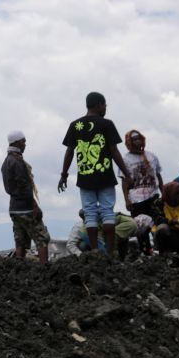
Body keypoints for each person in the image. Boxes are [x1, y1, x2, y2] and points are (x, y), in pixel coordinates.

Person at [59, 92, 128, 256]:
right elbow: (113, 151)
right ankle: (110, 252)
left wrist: (64, 174)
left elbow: (69, 151)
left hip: (85, 178)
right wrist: (126, 172)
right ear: (99, 104)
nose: (105, 108)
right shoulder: (107, 124)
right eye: (104, 105)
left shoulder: (75, 125)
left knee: (89, 213)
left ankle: (96, 250)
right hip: (105, 176)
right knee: (107, 212)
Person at [0, 130, 50, 263]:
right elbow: (25, 187)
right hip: (25, 208)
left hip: (14, 208)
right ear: (17, 142)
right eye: (23, 141)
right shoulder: (18, 162)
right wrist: (35, 206)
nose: (25, 144)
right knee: (42, 238)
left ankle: (19, 268)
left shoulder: (6, 163)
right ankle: (45, 267)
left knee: (20, 240)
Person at [119, 129, 163, 253]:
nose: (137, 141)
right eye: (134, 140)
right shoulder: (125, 159)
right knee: (141, 226)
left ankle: (159, 248)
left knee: (157, 222)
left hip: (153, 195)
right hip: (136, 199)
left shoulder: (151, 156)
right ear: (129, 142)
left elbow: (158, 175)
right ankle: (145, 249)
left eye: (139, 138)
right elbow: (124, 182)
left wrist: (163, 193)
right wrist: (127, 200)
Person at [66, 210, 139, 260]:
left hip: (103, 242)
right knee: (83, 245)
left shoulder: (102, 220)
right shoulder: (78, 227)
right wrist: (81, 255)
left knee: (122, 237)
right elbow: (70, 244)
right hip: (89, 246)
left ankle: (119, 259)